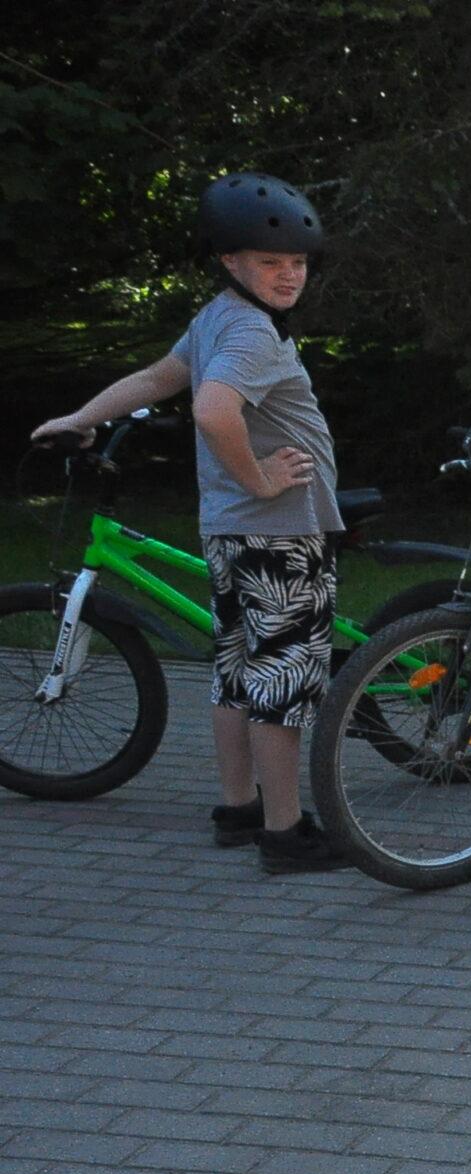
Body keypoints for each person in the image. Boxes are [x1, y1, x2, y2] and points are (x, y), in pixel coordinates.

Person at [32, 173, 349, 874]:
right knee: (282, 681)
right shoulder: (250, 330)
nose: (289, 275)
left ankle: (238, 809)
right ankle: (286, 833)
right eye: (270, 262)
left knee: (237, 673)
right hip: (279, 531)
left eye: (298, 263)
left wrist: (81, 417)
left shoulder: (218, 317)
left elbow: (157, 378)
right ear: (229, 261)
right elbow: (211, 411)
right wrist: (261, 478)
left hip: (232, 531)